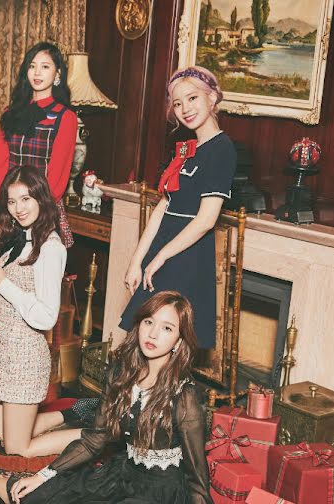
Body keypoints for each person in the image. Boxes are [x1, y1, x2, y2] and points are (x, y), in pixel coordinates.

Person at [0, 291, 213, 503]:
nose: (153, 333)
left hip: (160, 492)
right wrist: (43, 475)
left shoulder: (185, 395)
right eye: (149, 322)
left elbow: (198, 478)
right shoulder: (121, 374)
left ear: (179, 341)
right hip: (122, 473)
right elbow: (95, 439)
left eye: (167, 328)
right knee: (40, 492)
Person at [0, 165, 79, 458]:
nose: (19, 208)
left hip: (26, 357)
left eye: (26, 199)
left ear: (41, 198)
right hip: (2, 351)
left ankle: (92, 434)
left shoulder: (50, 247)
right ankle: (70, 413)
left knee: (16, 448)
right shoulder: (13, 242)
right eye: (12, 201)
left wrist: (2, 283)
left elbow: (46, 317)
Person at [120, 66, 236, 350]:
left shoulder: (222, 149)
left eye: (192, 98)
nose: (185, 109)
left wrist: (161, 257)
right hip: (162, 251)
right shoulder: (187, 148)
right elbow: (164, 205)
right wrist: (137, 261)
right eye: (178, 103)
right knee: (141, 338)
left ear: (213, 98)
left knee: (167, 344)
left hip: (186, 258)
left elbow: (206, 220)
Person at [0, 41, 77, 248]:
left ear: (57, 74)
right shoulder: (10, 112)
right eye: (32, 66)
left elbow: (57, 175)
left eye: (45, 66)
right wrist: (10, 203)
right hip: (10, 207)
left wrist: (31, 206)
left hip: (43, 209)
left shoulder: (65, 117)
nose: (37, 72)